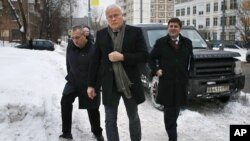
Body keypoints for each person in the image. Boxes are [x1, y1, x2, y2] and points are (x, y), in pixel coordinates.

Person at [87, 4, 148, 141]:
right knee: (110, 119)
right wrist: (91, 85)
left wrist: (123, 57)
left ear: (122, 16)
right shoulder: (101, 34)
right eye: (110, 16)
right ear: (107, 18)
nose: (114, 19)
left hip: (129, 83)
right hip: (109, 83)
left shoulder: (135, 32)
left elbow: (144, 56)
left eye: (116, 15)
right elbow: (95, 61)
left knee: (133, 117)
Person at [149, 18, 194, 141]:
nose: (173, 28)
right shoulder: (160, 43)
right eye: (171, 26)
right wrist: (156, 70)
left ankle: (172, 126)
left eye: (175, 26)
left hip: (181, 82)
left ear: (180, 29)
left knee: (177, 108)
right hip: (166, 82)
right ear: (168, 28)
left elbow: (191, 60)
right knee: (169, 111)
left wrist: (189, 73)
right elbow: (150, 59)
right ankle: (172, 136)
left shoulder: (188, 43)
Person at [59, 25, 104, 141]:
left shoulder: (94, 48)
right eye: (72, 38)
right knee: (65, 101)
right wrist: (71, 75)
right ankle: (66, 133)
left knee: (93, 109)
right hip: (73, 80)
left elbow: (99, 70)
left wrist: (94, 86)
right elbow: (68, 64)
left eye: (77, 37)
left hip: (90, 83)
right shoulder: (70, 46)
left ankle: (97, 132)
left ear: (85, 35)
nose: (75, 41)